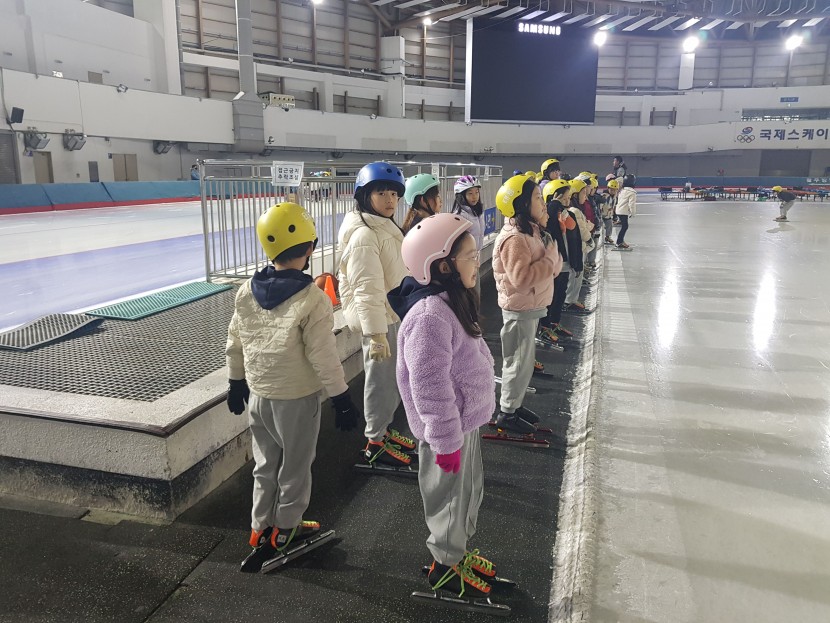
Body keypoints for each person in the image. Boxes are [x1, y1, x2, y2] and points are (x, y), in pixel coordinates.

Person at [226, 202, 359, 573]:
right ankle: (285, 529)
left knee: (265, 464)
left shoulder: (246, 290)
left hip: (259, 396)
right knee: (296, 467)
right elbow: (323, 356)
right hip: (296, 399)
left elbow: (235, 341)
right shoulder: (312, 299)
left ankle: (260, 527)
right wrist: (341, 398)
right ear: (310, 248)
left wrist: (235, 382)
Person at [391, 212, 497, 600]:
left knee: (466, 494)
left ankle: (457, 552)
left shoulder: (450, 303)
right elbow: (429, 387)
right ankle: (445, 567)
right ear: (442, 265)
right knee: (448, 502)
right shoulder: (429, 317)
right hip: (447, 432)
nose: (476, 262)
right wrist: (445, 441)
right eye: (470, 256)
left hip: (463, 422)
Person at [337, 162, 416, 469]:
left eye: (394, 194)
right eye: (381, 193)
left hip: (391, 314)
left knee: (393, 380)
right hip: (380, 321)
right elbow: (366, 288)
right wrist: (376, 334)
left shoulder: (382, 226)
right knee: (380, 382)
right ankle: (374, 442)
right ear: (364, 195)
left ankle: (383, 429)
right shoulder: (364, 235)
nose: (389, 200)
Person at [492, 174, 562, 433]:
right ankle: (507, 412)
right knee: (517, 362)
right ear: (521, 204)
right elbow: (521, 278)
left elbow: (549, 268)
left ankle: (515, 403)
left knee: (524, 362)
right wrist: (550, 261)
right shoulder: (514, 238)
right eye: (537, 198)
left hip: (530, 307)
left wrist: (551, 260)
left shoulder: (531, 231)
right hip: (519, 310)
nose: (543, 203)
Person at [538, 179, 577, 346]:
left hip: (562, 259)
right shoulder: (553, 208)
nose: (568, 200)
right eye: (565, 197)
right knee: (551, 296)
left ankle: (553, 323)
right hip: (555, 260)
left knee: (560, 294)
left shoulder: (562, 211)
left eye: (569, 197)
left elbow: (572, 227)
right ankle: (545, 327)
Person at [564, 178, 594, 314]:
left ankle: (571, 299)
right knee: (575, 275)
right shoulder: (575, 211)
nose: (585, 197)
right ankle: (570, 300)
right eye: (583, 193)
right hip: (577, 248)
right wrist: (589, 239)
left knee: (576, 275)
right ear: (575, 195)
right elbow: (582, 230)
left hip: (577, 247)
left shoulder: (576, 210)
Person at [452, 175, 485, 296]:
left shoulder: (477, 212)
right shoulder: (459, 216)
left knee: (476, 294)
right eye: (470, 193)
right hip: (465, 262)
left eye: (476, 192)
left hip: (474, 259)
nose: (474, 196)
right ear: (461, 196)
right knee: (470, 294)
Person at [615, 174, 638, 249]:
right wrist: (632, 213)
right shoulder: (632, 192)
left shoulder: (622, 190)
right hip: (623, 212)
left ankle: (620, 241)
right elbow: (632, 204)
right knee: (625, 227)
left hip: (618, 210)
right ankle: (619, 242)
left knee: (624, 226)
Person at [602, 179, 619, 244]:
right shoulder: (604, 196)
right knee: (600, 227)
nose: (613, 191)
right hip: (602, 214)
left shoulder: (615, 197)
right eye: (611, 189)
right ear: (608, 188)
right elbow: (600, 205)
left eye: (614, 190)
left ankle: (607, 236)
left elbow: (614, 207)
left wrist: (615, 216)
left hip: (608, 215)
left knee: (610, 225)